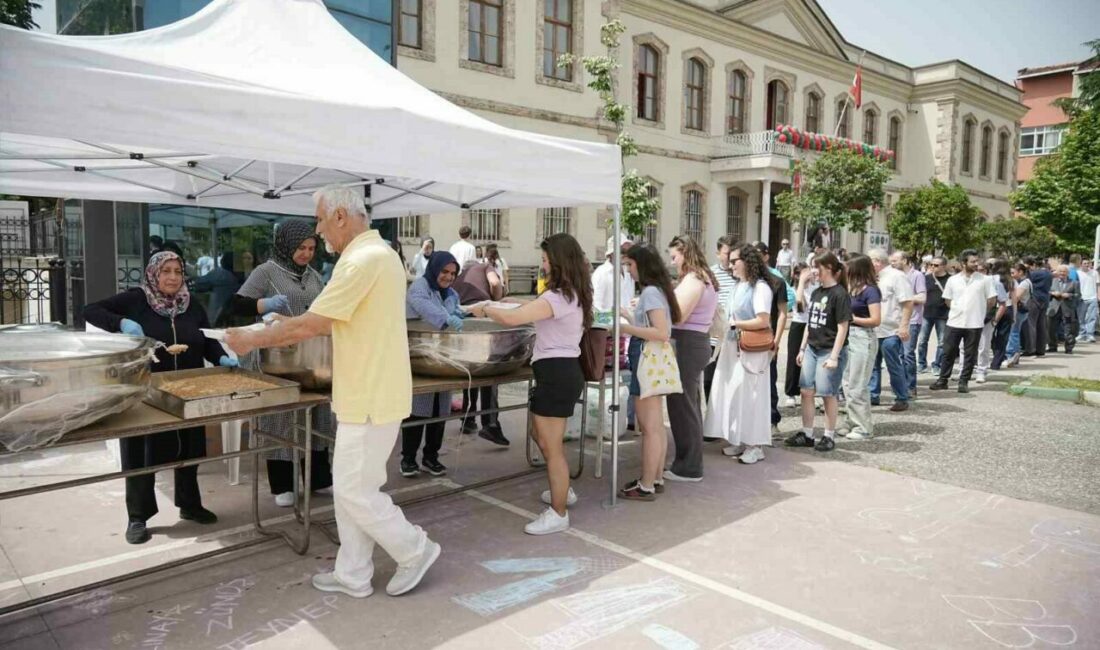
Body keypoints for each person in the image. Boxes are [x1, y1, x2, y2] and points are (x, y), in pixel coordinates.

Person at [226, 185, 440, 600]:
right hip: (368, 391)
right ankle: (354, 573)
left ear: (341, 216)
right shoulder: (377, 256)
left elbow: (312, 323)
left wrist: (251, 340)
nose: (319, 231)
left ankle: (414, 548)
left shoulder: (361, 260)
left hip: (371, 395)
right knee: (351, 489)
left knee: (355, 491)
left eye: (321, 220)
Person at [84, 252, 233, 544]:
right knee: (141, 454)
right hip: (146, 392)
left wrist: (222, 358)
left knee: (190, 448)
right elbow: (90, 310)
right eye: (166, 271)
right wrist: (123, 323)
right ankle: (137, 516)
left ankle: (189, 505)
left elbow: (207, 340)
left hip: (187, 390)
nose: (173, 277)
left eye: (178, 271)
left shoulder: (191, 304)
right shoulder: (137, 299)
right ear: (154, 273)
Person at [469, 233, 590, 534]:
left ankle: (559, 512)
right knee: (540, 433)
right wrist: (510, 301)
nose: (543, 265)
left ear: (559, 262)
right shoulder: (570, 293)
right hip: (558, 372)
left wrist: (485, 309)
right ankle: (562, 488)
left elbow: (515, 320)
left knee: (552, 446)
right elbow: (532, 308)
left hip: (557, 373)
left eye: (546, 260)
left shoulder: (556, 297)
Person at [232, 219, 336, 507]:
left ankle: (318, 478)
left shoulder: (314, 276)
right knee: (280, 418)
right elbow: (236, 305)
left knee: (317, 414)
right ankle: (282, 484)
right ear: (285, 245)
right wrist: (263, 305)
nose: (306, 253)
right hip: (274, 355)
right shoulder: (265, 272)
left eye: (311, 248)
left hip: (309, 354)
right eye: (300, 248)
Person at [618, 244, 680, 496]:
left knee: (650, 428)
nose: (629, 271)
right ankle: (654, 479)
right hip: (651, 359)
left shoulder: (651, 292)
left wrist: (625, 328)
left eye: (631, 265)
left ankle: (645, 484)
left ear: (642, 266)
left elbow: (660, 332)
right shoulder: (657, 291)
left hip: (646, 358)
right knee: (655, 427)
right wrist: (630, 317)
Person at [707, 244, 775, 465]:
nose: (731, 264)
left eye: (735, 260)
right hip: (732, 347)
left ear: (747, 262)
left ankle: (755, 445)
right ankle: (738, 437)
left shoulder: (760, 287)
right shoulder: (739, 286)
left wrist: (735, 323)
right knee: (734, 393)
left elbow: (762, 320)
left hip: (750, 349)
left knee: (752, 396)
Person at [403, 252, 465, 478]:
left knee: (441, 408)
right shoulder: (419, 287)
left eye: (452, 273)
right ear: (434, 269)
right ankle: (408, 459)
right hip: (418, 356)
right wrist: (446, 317)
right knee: (418, 408)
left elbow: (458, 306)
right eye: (444, 272)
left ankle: (431, 457)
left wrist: (459, 312)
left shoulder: (451, 293)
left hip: (442, 356)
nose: (448, 277)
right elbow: (423, 306)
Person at [663, 236, 718, 482]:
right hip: (693, 342)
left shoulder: (694, 279)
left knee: (683, 405)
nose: (672, 262)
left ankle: (689, 466)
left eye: (674, 256)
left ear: (685, 253)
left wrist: (657, 308)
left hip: (688, 343)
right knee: (688, 404)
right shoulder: (700, 277)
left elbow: (679, 315)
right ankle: (688, 461)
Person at [786, 252, 851, 451]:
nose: (813, 271)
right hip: (812, 348)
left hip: (829, 349)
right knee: (806, 391)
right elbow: (809, 323)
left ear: (829, 269)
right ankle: (807, 434)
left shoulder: (839, 294)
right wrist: (803, 348)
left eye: (817, 267)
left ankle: (829, 435)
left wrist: (834, 356)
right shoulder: (816, 292)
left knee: (827, 393)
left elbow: (843, 327)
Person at [452, 261, 508, 445]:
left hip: (462, 318)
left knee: (471, 368)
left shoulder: (458, 276)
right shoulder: (485, 267)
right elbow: (495, 283)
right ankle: (490, 424)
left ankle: (467, 419)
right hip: (482, 315)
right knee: (489, 367)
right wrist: (497, 301)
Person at [930, 250, 996, 394]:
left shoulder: (985, 280)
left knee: (970, 353)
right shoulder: (953, 280)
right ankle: (943, 380)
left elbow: (991, 300)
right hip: (954, 321)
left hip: (975, 322)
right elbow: (947, 300)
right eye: (973, 261)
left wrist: (978, 310)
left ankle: (964, 381)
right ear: (963, 263)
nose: (976, 264)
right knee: (948, 352)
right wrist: (958, 308)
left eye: (977, 261)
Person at [592, 235, 637, 434]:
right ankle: (610, 420)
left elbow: (627, 301)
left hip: (629, 331)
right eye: (623, 249)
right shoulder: (601, 274)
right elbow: (596, 308)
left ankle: (629, 419)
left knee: (630, 378)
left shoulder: (627, 273)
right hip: (611, 334)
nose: (626, 254)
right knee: (612, 382)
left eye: (628, 250)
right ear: (612, 252)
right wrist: (616, 316)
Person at [837, 255, 880, 440]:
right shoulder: (848, 289)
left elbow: (875, 320)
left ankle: (863, 427)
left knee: (857, 384)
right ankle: (851, 420)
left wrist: (852, 318)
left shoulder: (870, 291)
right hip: (848, 336)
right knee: (846, 383)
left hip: (863, 337)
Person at [868, 249, 913, 412]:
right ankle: (873, 395)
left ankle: (901, 397)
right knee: (873, 365)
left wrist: (904, 326)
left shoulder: (897, 276)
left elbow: (908, 302)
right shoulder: (873, 278)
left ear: (877, 261)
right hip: (874, 328)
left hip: (891, 329)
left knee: (893, 364)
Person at [754, 242, 792, 436]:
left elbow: (783, 313)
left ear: (767, 256)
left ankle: (772, 420)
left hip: (768, 337)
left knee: (769, 379)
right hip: (748, 338)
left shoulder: (777, 282)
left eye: (758, 254)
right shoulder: (746, 282)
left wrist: (777, 341)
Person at [704, 236, 739, 407]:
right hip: (714, 336)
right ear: (718, 254)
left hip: (734, 336)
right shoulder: (711, 274)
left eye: (733, 253)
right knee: (709, 380)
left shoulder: (740, 275)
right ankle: (711, 417)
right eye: (727, 253)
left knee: (730, 381)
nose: (730, 257)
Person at [890, 251, 925, 397]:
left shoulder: (916, 275)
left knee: (907, 354)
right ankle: (900, 386)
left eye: (895, 260)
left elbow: (922, 297)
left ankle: (911, 386)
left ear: (904, 260)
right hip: (895, 320)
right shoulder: (892, 276)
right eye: (891, 261)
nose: (892, 263)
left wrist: (905, 298)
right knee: (896, 355)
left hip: (912, 320)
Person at [783, 263, 817, 408]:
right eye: (803, 273)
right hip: (799, 324)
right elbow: (800, 305)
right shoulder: (794, 289)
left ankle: (814, 392)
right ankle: (791, 392)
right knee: (793, 358)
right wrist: (802, 283)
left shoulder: (817, 287)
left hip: (814, 324)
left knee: (814, 358)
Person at [918, 256, 950, 374]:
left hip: (943, 314)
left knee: (942, 342)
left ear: (943, 266)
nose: (932, 267)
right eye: (930, 264)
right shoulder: (926, 278)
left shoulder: (950, 280)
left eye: (935, 265)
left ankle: (937, 365)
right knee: (922, 341)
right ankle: (921, 364)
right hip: (926, 314)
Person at [192, 252, 241, 327]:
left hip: (216, 319)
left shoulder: (221, 274)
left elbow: (199, 284)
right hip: (234, 321)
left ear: (223, 261)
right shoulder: (241, 278)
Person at [987, 259, 1015, 371]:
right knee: (1002, 337)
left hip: (994, 309)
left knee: (990, 335)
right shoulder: (1011, 281)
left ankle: (995, 356)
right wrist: (1015, 315)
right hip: (1007, 309)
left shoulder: (991, 279)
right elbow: (1014, 299)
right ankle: (997, 362)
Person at [1023, 256, 1052, 357]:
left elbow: (1024, 279)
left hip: (1034, 299)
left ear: (1033, 265)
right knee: (1041, 325)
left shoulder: (1034, 274)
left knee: (1031, 325)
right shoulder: (1048, 273)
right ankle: (1041, 349)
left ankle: (1031, 349)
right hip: (1045, 299)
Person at [1048, 265, 1080, 354]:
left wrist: (1069, 295)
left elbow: (1078, 295)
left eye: (1064, 271)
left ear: (1068, 273)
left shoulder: (1074, 283)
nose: (1062, 273)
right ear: (1057, 273)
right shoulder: (1052, 281)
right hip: (1054, 308)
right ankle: (1052, 346)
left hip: (1068, 309)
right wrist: (1053, 293)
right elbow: (1047, 292)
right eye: (1060, 271)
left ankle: (1069, 348)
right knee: (1051, 328)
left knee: (1069, 329)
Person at [1005, 262, 1032, 367]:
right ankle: (1015, 355)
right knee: (1015, 331)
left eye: (1013, 272)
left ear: (1020, 272)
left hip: (1019, 310)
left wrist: (1009, 295)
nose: (1011, 275)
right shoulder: (1023, 281)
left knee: (1014, 332)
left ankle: (1011, 354)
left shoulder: (1024, 283)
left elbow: (1016, 297)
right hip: (1022, 310)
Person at [1076, 258, 1097, 343]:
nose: (1087, 265)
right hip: (1082, 298)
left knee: (1092, 317)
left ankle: (1090, 334)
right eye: (1084, 263)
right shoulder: (1078, 273)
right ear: (1081, 264)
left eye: (1088, 263)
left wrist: (1098, 295)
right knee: (1081, 317)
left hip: (1093, 297)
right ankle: (1082, 333)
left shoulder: (1094, 273)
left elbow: (1098, 284)